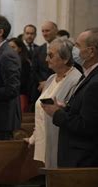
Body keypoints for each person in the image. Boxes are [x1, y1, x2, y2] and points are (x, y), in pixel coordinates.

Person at [42, 28, 98, 167]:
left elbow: (87, 126)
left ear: (91, 51)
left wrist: (57, 113)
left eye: (78, 46)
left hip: (86, 158)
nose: (74, 49)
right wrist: (67, 108)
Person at [26, 38, 82, 168]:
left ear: (65, 59)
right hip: (45, 139)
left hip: (60, 142)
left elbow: (70, 113)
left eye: (50, 55)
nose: (46, 59)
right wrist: (33, 137)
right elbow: (41, 111)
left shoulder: (75, 80)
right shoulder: (51, 78)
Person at [31, 21, 58, 103]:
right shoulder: (38, 50)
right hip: (41, 89)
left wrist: (49, 83)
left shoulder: (64, 48)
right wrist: (41, 82)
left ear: (56, 31)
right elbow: (34, 70)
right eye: (43, 31)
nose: (45, 34)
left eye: (47, 31)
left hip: (58, 87)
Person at [8, 38, 32, 113]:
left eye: (13, 47)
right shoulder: (6, 61)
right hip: (8, 96)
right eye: (9, 47)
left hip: (20, 95)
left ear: (20, 49)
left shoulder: (25, 63)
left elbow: (23, 81)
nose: (10, 50)